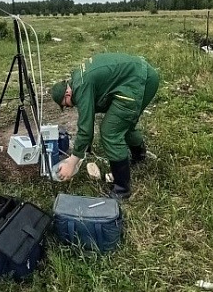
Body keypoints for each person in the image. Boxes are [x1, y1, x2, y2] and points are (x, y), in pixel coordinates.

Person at [51, 52, 159, 200]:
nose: (70, 107)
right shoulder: (77, 78)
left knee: (110, 131)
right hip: (141, 74)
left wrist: (72, 162)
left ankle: (122, 189)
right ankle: (139, 157)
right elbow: (87, 119)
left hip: (140, 80)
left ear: (67, 94)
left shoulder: (81, 87)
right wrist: (84, 148)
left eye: (67, 105)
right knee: (124, 124)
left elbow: (85, 128)